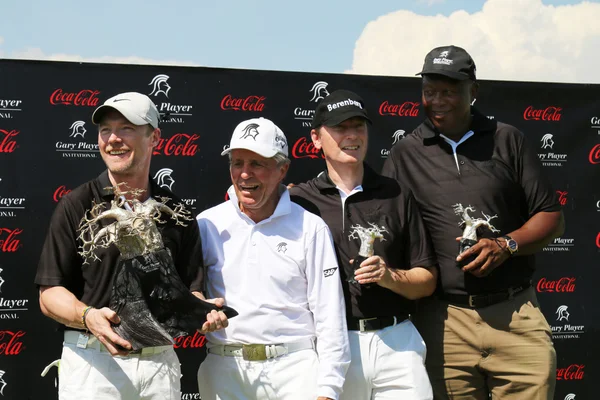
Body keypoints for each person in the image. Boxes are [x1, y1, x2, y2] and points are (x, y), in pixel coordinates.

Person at [381, 45, 564, 400]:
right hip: (444, 323)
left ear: (473, 92)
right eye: (429, 91)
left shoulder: (507, 139)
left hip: (515, 316)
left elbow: (551, 217)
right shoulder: (406, 152)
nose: (437, 100)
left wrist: (505, 245)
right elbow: (385, 217)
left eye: (448, 91)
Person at [35, 92, 228, 400]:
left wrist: (203, 312)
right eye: (105, 130)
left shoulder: (176, 213)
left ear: (154, 137)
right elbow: (49, 294)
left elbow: (190, 291)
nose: (113, 139)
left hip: (159, 365)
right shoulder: (76, 205)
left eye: (126, 128)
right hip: (93, 366)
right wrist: (88, 317)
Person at [289, 90, 437, 400]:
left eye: (358, 126)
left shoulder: (396, 193)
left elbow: (426, 280)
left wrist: (389, 277)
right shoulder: (297, 201)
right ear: (316, 138)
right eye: (340, 128)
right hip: (330, 346)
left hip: (397, 343)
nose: (352, 135)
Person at [196, 117, 350, 400]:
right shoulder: (206, 224)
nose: (244, 174)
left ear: (283, 169)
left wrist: (328, 388)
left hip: (295, 373)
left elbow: (330, 315)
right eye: (237, 163)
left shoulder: (311, 227)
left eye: (257, 164)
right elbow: (187, 293)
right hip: (224, 371)